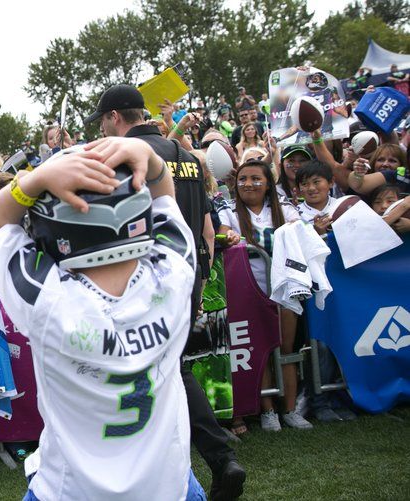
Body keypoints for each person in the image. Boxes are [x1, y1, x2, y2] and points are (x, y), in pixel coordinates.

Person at [0, 136, 205, 500]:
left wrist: (36, 179)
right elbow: (164, 194)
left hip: (71, 490)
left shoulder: (48, 301)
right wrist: (147, 155)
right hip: (168, 486)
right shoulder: (174, 275)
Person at [85, 83, 243, 500]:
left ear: (115, 117)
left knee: (162, 371)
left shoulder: (123, 159)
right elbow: (207, 229)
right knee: (174, 367)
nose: (104, 130)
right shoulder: (188, 158)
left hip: (139, 284)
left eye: (103, 121)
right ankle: (214, 458)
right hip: (185, 278)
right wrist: (202, 273)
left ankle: (203, 460)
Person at [218, 159, 311, 431]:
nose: (249, 183)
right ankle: (267, 411)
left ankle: (290, 409)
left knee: (286, 348)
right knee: (261, 349)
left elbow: (301, 230)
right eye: (243, 178)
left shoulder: (283, 208)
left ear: (268, 182)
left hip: (285, 288)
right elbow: (224, 232)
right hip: (250, 290)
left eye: (256, 178)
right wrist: (229, 237)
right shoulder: (229, 210)